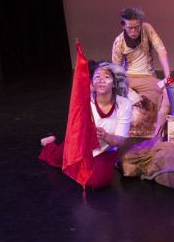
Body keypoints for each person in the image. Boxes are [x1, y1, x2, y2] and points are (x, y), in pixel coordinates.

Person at [39, 62, 132, 190]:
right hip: (80, 146)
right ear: (93, 83)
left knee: (96, 183)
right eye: (97, 76)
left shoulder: (124, 104)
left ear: (114, 83)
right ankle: (49, 143)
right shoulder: (83, 101)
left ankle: (82, 164)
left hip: (104, 151)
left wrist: (105, 136)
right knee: (54, 161)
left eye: (106, 76)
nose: (101, 80)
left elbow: (119, 140)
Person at [111, 7, 171, 137]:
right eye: (130, 28)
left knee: (168, 93)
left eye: (136, 27)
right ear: (123, 26)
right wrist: (128, 90)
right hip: (128, 78)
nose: (133, 31)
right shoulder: (119, 42)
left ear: (141, 24)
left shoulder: (147, 29)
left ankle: (157, 135)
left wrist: (167, 79)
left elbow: (162, 51)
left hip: (147, 77)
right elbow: (116, 71)